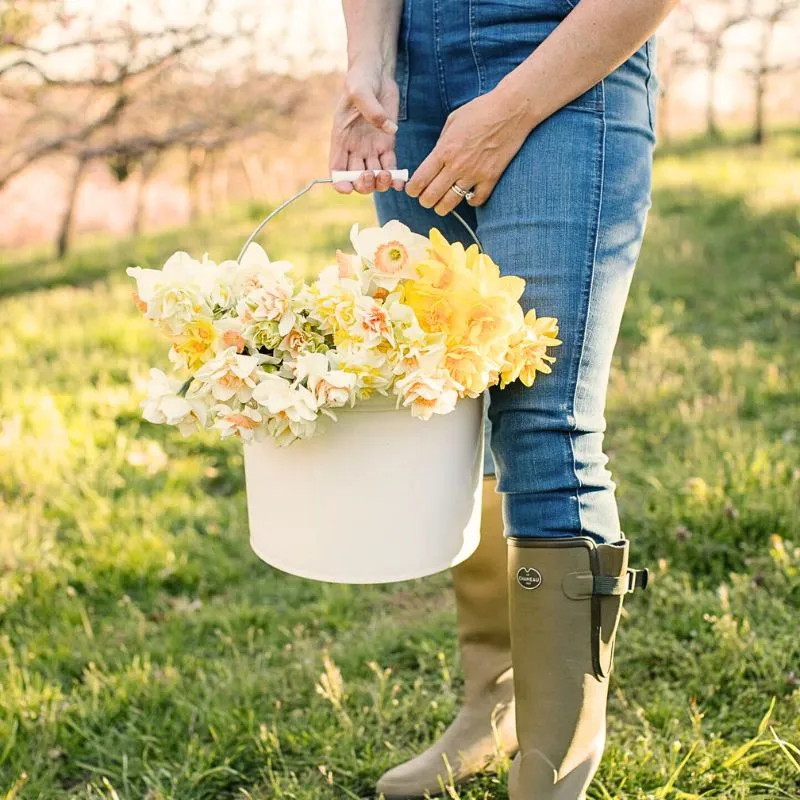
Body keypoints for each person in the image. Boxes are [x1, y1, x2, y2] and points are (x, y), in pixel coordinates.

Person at [329, 1, 674, 797]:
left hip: (562, 60)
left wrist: (511, 107)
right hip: (418, 76)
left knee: (540, 414)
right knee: (451, 401)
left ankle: (555, 762)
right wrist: (368, 62)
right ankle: (495, 706)